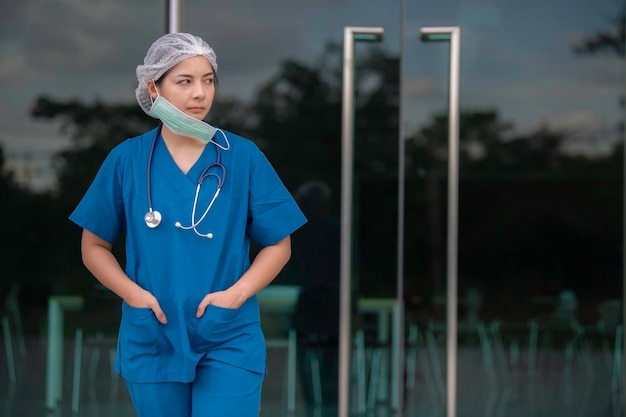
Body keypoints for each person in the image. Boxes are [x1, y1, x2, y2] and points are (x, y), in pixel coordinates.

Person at [69, 32, 307, 417]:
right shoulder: (126, 160)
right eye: (185, 81)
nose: (200, 93)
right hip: (153, 332)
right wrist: (133, 295)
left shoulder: (242, 157)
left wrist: (238, 293)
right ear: (153, 87)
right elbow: (93, 246)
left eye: (208, 80)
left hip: (227, 332)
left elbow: (279, 245)